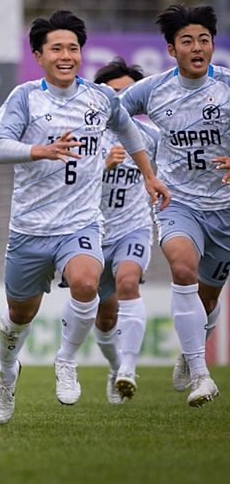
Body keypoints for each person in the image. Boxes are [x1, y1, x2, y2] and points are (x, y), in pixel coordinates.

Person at [0, 10, 168, 425]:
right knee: (19, 317)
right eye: (57, 48)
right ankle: (7, 372)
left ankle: (65, 362)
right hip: (30, 228)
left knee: (87, 282)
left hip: (81, 223)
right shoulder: (25, 97)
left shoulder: (100, 99)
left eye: (73, 47)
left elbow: (130, 131)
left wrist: (150, 176)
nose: (66, 55)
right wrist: (40, 150)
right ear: (39, 55)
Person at [119, 4, 228, 407]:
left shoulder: (228, 87)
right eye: (187, 41)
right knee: (182, 268)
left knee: (208, 297)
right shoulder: (152, 90)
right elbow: (112, 113)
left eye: (204, 39)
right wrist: (144, 165)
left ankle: (189, 351)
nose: (197, 47)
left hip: (225, 209)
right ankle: (202, 375)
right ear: (171, 49)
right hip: (177, 201)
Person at [90, 57, 160, 404]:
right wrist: (103, 166)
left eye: (129, 93)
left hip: (132, 229)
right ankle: (116, 366)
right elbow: (63, 186)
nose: (121, 100)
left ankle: (129, 370)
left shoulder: (150, 138)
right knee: (104, 317)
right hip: (90, 233)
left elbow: (177, 170)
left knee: (129, 283)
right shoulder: (88, 136)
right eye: (114, 92)